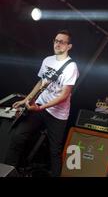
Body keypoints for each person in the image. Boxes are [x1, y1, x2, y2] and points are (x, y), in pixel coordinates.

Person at [6, 30, 79, 176]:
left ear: (69, 46)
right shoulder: (47, 60)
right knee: (18, 137)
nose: (57, 44)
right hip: (39, 105)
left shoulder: (71, 67)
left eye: (62, 42)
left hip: (58, 114)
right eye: (56, 41)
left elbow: (64, 95)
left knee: (54, 151)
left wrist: (41, 107)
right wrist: (26, 100)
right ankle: (7, 171)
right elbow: (41, 83)